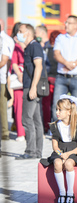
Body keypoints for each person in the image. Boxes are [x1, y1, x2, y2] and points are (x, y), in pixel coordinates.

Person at [40, 95, 77, 203]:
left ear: (69, 112)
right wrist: (60, 154)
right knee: (57, 163)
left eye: (60, 110)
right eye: (56, 109)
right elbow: (55, 146)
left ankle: (70, 194)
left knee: (68, 164)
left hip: (73, 151)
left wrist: (68, 154)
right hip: (60, 152)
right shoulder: (55, 126)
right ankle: (62, 193)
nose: (57, 112)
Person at [52, 15, 77, 121]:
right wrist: (65, 63)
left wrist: (73, 64)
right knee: (57, 105)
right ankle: (57, 133)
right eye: (66, 22)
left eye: (69, 23)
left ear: (76, 25)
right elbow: (56, 53)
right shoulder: (60, 37)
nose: (66, 25)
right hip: (61, 76)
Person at [15, 24, 45, 160]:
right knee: (36, 120)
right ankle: (37, 152)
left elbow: (38, 66)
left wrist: (33, 87)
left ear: (27, 33)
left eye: (20, 31)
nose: (18, 33)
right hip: (30, 86)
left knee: (26, 119)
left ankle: (31, 151)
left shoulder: (35, 46)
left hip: (31, 87)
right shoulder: (29, 47)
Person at [42, 30, 61, 134]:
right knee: (57, 105)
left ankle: (46, 126)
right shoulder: (61, 50)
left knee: (46, 105)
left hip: (47, 80)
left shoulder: (46, 49)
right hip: (58, 79)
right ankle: (56, 127)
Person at [9, 22, 25, 141]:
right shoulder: (16, 47)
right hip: (19, 82)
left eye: (22, 31)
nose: (19, 34)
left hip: (30, 81)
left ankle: (29, 132)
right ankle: (20, 133)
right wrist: (19, 74)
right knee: (18, 108)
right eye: (18, 31)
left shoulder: (32, 45)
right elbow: (14, 63)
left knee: (30, 110)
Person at [0, 19, 14, 141]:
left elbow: (6, 60)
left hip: (2, 77)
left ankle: (4, 132)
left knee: (3, 106)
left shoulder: (6, 40)